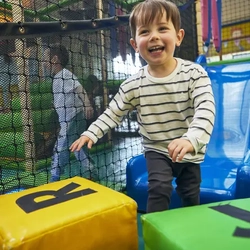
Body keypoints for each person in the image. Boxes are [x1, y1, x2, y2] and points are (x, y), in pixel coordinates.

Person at [70, 0, 215, 213]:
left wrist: (191, 139)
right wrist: (91, 133)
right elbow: (113, 112)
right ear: (135, 45)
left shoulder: (194, 74)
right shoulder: (133, 84)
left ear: (179, 36)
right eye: (145, 31)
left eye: (162, 28)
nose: (154, 36)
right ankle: (155, 232)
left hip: (187, 146)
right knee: (158, 188)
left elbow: (206, 109)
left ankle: (191, 229)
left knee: (191, 191)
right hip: (156, 149)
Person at [44, 44, 96, 182]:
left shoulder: (64, 74)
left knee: (60, 147)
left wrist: (87, 104)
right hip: (70, 117)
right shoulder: (57, 77)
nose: (43, 63)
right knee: (77, 146)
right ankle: (91, 171)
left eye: (45, 59)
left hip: (72, 116)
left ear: (54, 59)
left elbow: (79, 89)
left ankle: (54, 178)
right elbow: (64, 96)